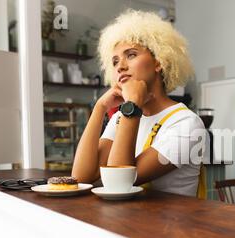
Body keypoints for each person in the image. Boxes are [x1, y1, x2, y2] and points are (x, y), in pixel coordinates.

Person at [72, 10, 205, 197]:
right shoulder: (121, 116)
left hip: (170, 226)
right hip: (125, 223)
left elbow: (118, 183)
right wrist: (100, 108)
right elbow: (81, 178)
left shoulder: (186, 123)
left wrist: (132, 105)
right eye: (115, 61)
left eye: (131, 55)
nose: (120, 66)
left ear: (159, 62)